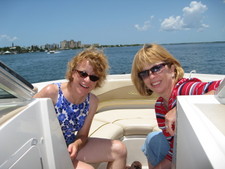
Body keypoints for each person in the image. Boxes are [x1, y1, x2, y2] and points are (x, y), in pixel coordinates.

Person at [131, 43, 222, 169]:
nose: (151, 76)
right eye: (144, 73)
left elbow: (221, 89)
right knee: (152, 139)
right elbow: (174, 148)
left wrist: (182, 107)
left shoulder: (186, 90)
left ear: (172, 69)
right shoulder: (160, 107)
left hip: (211, 153)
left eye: (156, 68)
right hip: (189, 149)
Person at [34, 47, 127, 169]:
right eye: (83, 74)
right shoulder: (52, 92)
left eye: (94, 77)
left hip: (70, 147)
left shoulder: (92, 102)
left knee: (119, 150)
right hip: (49, 150)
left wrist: (76, 145)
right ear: (73, 72)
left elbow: (83, 136)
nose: (87, 80)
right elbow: (26, 118)